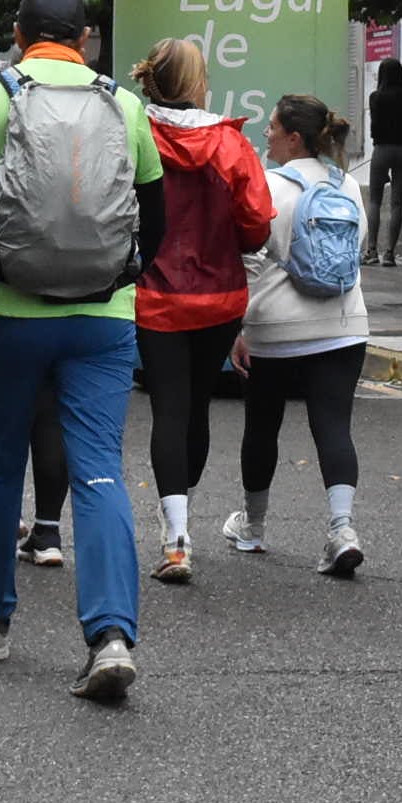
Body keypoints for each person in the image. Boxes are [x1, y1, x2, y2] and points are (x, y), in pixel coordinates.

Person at [0, 0, 162, 701]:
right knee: (100, 470)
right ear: (85, 40)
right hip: (104, 316)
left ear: (18, 36)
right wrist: (126, 275)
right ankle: (110, 635)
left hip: (9, 310)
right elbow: (156, 216)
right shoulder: (125, 103)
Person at [128, 36, 274, 582]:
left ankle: (175, 536)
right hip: (220, 295)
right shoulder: (231, 145)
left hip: (154, 293)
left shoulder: (134, 131)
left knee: (167, 406)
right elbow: (258, 224)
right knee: (196, 407)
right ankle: (182, 507)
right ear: (198, 81)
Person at [224, 92, 375, 576]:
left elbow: (248, 259)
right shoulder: (347, 185)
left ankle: (253, 527)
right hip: (344, 326)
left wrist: (237, 326)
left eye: (271, 127)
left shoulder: (266, 185)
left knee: (261, 425)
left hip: (275, 329)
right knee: (333, 426)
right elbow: (359, 247)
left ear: (293, 138)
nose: (265, 134)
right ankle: (342, 529)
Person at [363, 56, 402, 267]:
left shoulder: (375, 97)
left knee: (375, 201)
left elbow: (374, 129)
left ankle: (371, 250)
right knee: (397, 202)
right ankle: (390, 254)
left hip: (382, 149)